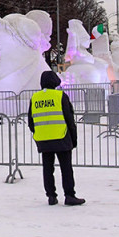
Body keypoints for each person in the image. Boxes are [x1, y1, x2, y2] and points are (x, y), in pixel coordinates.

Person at [27, 70, 82, 206]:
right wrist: (73, 138)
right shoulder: (60, 96)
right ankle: (69, 195)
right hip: (61, 136)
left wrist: (38, 132)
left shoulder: (35, 98)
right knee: (66, 168)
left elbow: (30, 121)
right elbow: (69, 119)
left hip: (43, 138)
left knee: (47, 168)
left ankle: (51, 195)